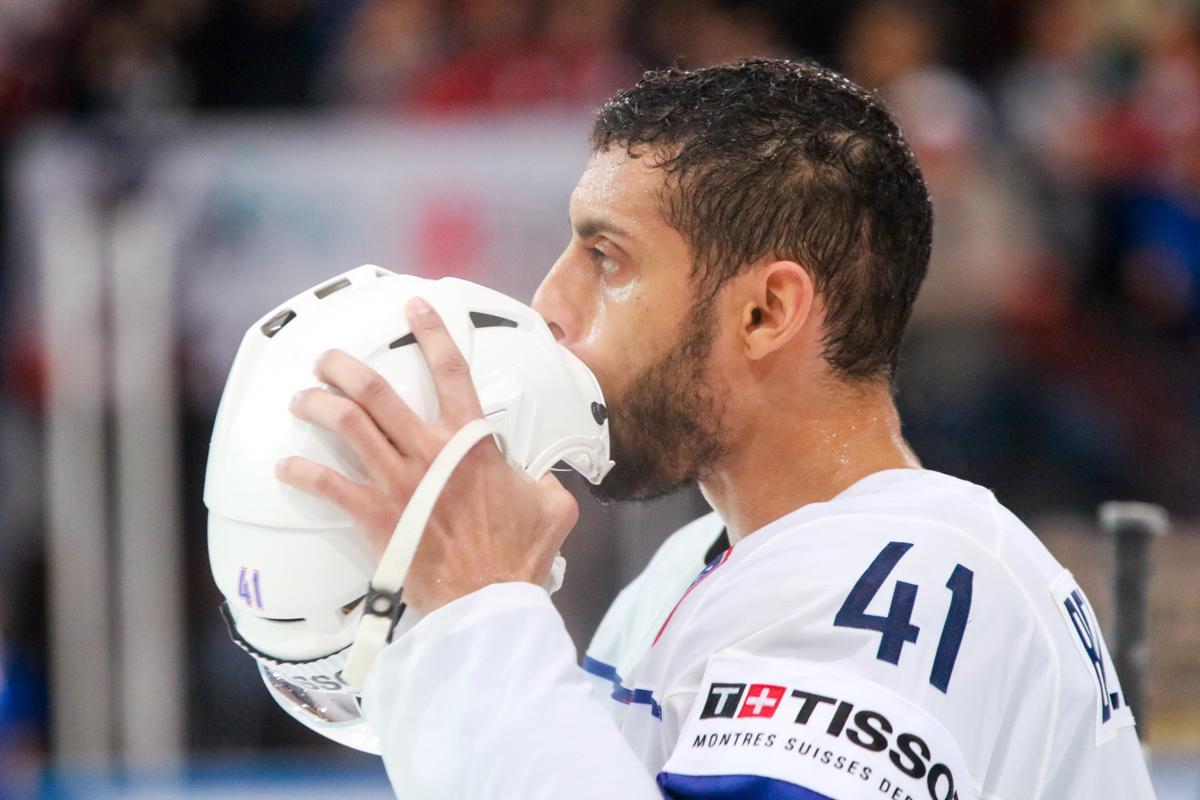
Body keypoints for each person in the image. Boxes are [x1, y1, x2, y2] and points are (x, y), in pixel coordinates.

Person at [276, 59, 1156, 799]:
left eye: (606, 258)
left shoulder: (910, 589)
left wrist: (480, 610)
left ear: (766, 312)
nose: (548, 306)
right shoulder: (694, 571)